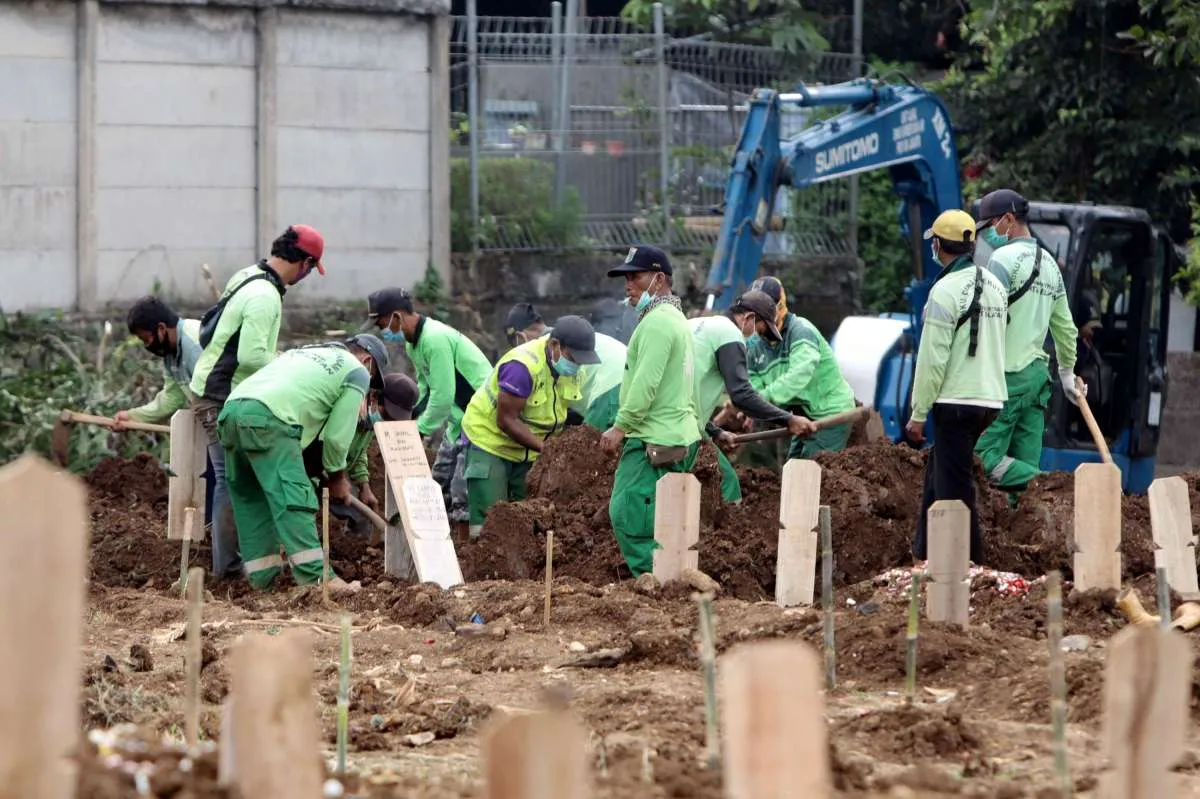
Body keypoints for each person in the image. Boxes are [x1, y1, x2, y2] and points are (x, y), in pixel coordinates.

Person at [189, 224, 326, 580]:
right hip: (221, 393)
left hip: (211, 384)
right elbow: (252, 357)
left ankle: (242, 562)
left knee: (230, 479)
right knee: (231, 480)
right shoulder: (266, 296)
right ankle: (231, 569)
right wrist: (288, 366)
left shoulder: (248, 275)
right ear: (305, 263)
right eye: (312, 269)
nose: (308, 276)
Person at [217, 334, 388, 593]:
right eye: (372, 385)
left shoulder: (301, 353)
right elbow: (336, 437)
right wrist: (337, 478)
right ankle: (319, 580)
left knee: (251, 501)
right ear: (367, 361)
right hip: (270, 419)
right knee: (293, 497)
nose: (368, 393)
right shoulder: (357, 373)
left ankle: (264, 582)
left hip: (230, 413)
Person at [906, 210, 1008, 566]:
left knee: (954, 487)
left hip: (956, 401)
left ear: (937, 244)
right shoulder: (995, 286)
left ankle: (966, 565)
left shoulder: (943, 292)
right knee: (940, 470)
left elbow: (931, 361)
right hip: (990, 398)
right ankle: (923, 553)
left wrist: (918, 414)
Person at [973, 189, 1083, 496]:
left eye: (991, 224)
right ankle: (1021, 536)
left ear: (1008, 219)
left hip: (1007, 378)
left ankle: (1053, 487)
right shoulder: (1050, 265)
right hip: (1037, 379)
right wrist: (1067, 374)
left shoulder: (1001, 260)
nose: (988, 234)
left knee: (981, 460)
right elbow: (1065, 327)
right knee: (1020, 477)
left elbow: (988, 319)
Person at [600, 245, 701, 576]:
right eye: (626, 278)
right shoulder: (676, 319)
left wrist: (620, 426)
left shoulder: (657, 323)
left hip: (652, 440)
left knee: (626, 512)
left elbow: (646, 384)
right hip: (677, 434)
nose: (628, 284)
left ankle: (654, 579)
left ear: (659, 279)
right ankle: (673, 579)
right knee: (662, 517)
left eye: (635, 276)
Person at [363, 288, 492, 531]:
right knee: (439, 478)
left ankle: (465, 549)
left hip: (481, 420)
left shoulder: (434, 339)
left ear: (397, 317)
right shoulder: (415, 344)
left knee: (460, 489)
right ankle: (435, 539)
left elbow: (443, 398)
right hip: (460, 422)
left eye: (383, 325)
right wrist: (410, 419)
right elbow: (426, 388)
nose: (383, 332)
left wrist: (419, 431)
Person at [460, 316, 600, 536]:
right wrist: (549, 451)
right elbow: (505, 420)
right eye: (573, 358)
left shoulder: (571, 372)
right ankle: (482, 563)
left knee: (526, 519)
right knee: (490, 522)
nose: (577, 366)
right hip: (490, 443)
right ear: (554, 344)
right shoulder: (521, 367)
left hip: (528, 450)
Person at [689, 290, 816, 502]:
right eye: (759, 328)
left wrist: (715, 431)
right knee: (726, 483)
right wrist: (788, 419)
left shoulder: (699, 325)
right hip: (680, 428)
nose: (756, 336)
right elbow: (741, 395)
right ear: (748, 318)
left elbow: (685, 397)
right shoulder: (730, 334)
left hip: (674, 418)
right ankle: (723, 534)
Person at [743, 276, 858, 459]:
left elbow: (798, 375)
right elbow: (752, 381)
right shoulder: (753, 344)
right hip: (802, 416)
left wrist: (760, 400)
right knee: (793, 468)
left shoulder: (801, 331)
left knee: (811, 472)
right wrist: (754, 406)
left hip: (830, 414)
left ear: (779, 306)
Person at [302, 371, 419, 537]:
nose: (385, 421)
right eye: (386, 414)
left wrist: (364, 485)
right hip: (309, 472)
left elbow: (359, 452)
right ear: (373, 398)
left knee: (362, 516)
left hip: (334, 475)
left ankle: (356, 548)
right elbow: (318, 452)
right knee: (303, 509)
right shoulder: (347, 412)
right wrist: (332, 482)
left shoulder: (369, 425)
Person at [503, 302, 627, 429]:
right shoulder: (570, 336)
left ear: (520, 338)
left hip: (612, 384)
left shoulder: (552, 350)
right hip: (625, 375)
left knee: (592, 441)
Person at [115, 297, 203, 427]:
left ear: (161, 328)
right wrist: (132, 417)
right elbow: (172, 398)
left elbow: (217, 397)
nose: (147, 345)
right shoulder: (171, 353)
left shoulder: (195, 345)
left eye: (146, 339)